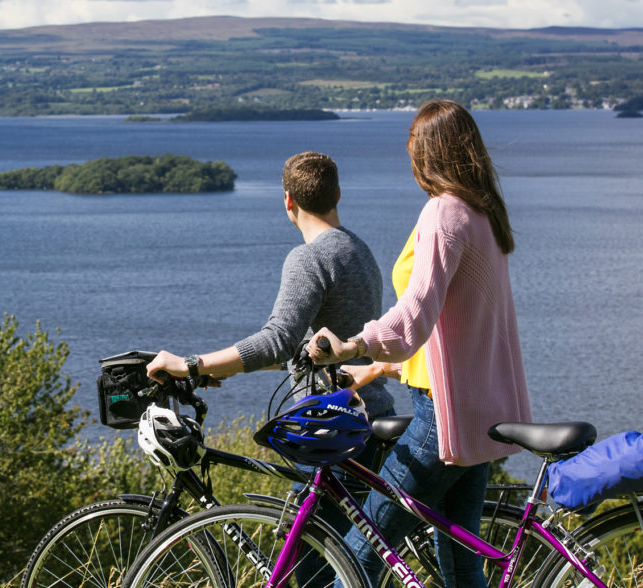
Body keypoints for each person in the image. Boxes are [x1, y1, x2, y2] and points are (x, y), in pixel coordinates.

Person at [306, 100, 532, 588]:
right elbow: (457, 328)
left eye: (412, 150)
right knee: (459, 562)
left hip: (443, 416)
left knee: (362, 550)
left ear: (427, 154)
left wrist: (352, 346)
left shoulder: (444, 213)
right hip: (478, 411)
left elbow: (416, 314)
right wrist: (378, 370)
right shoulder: (482, 213)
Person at [146, 150, 394, 455]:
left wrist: (191, 365)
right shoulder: (359, 249)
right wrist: (230, 366)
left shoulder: (309, 258)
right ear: (338, 195)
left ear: (288, 200)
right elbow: (310, 349)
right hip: (374, 415)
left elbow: (278, 339)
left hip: (332, 432)